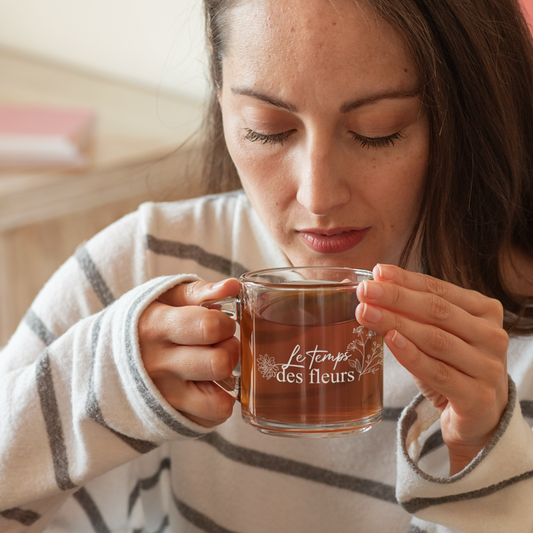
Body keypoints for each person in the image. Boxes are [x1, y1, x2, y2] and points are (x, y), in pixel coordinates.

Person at [2, 0, 533, 531]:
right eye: (268, 129)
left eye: (378, 130)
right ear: (218, 87)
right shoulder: (144, 264)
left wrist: (487, 465)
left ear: (463, 107)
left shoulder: (515, 341)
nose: (318, 196)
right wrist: (100, 386)